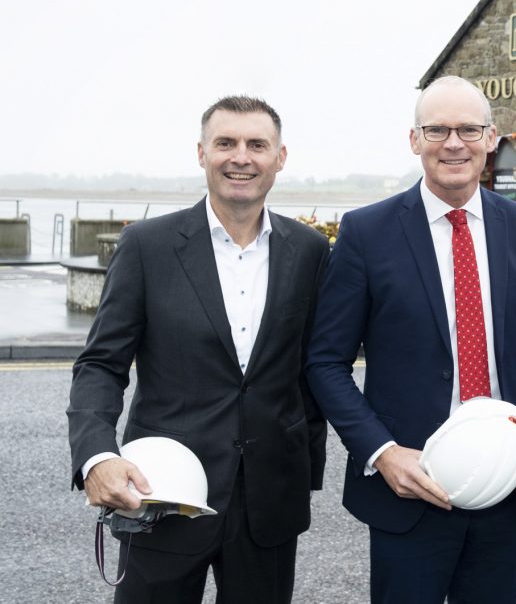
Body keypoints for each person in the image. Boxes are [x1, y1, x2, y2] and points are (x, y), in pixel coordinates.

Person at [305, 75, 516, 603]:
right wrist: (381, 453)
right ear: (414, 140)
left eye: (469, 129)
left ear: (491, 138)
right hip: (411, 490)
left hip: (506, 487)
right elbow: (325, 362)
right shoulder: (366, 232)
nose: (454, 143)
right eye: (438, 130)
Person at [67, 96, 329, 603]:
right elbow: (101, 364)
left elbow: (311, 370)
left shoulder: (310, 251)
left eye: (257, 144)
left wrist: (303, 469)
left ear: (280, 157)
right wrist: (97, 455)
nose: (241, 157)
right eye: (225, 143)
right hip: (163, 493)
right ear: (201, 153)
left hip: (268, 505)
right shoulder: (147, 246)